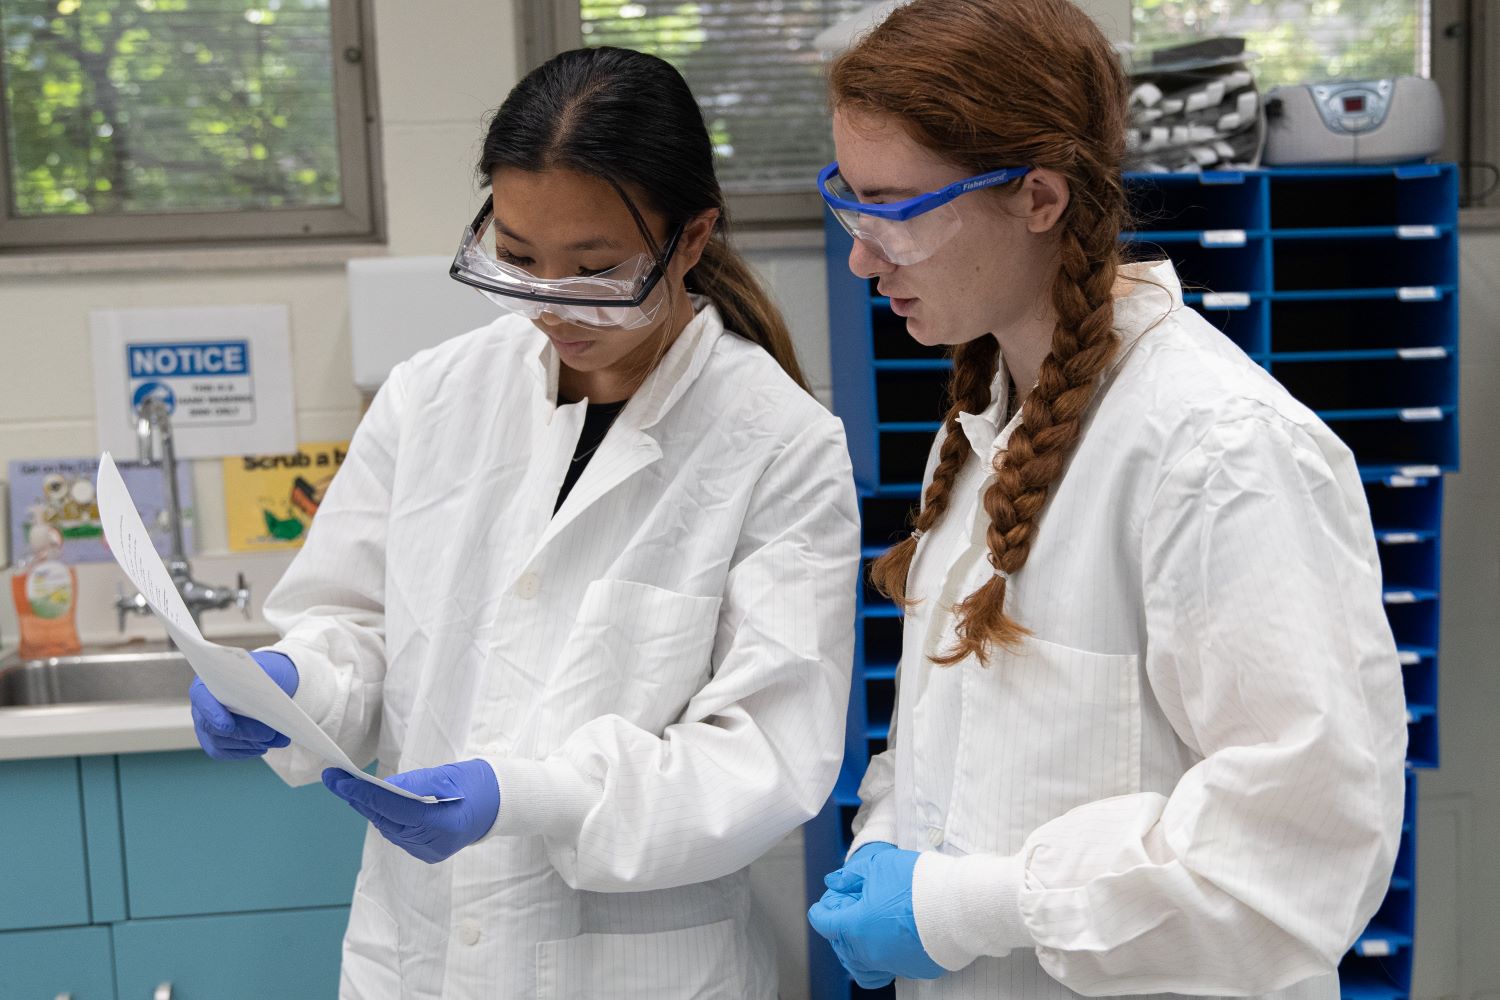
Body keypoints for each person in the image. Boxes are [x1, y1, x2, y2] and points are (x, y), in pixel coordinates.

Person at [187, 46, 860, 999]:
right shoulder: (435, 395)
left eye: (593, 269)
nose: (549, 302)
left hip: (638, 971)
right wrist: (297, 681)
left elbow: (765, 755)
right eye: (517, 260)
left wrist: (530, 795)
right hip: (418, 956)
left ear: (694, 235)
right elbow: (360, 627)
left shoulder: (778, 444)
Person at [805, 2, 1407, 998]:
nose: (863, 255)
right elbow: (963, 736)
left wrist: (965, 906)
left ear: (1038, 197)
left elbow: (1299, 852)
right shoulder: (982, 422)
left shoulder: (1217, 452)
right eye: (848, 202)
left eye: (896, 210)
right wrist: (889, 838)